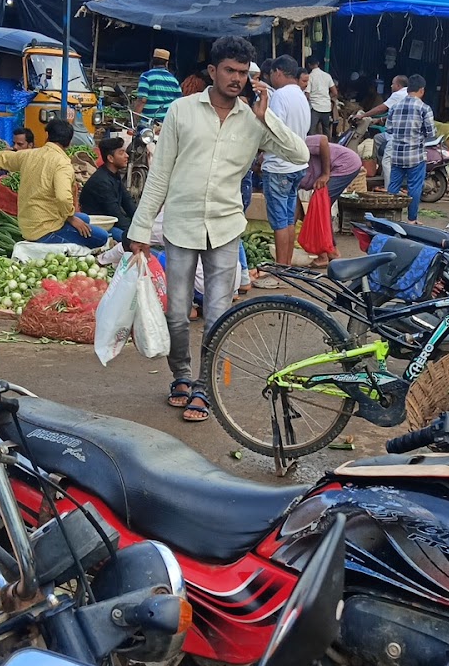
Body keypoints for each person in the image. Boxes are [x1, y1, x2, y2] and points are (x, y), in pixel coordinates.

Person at [127, 33, 308, 423]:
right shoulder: (181, 111)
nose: (236, 79)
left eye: (243, 73)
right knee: (177, 311)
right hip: (181, 224)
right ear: (212, 70)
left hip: (226, 228)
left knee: (219, 314)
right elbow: (159, 175)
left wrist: (266, 115)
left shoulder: (254, 121)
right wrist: (140, 228)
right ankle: (181, 375)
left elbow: (299, 153)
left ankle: (205, 388)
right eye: (229, 70)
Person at [0, 116, 110, 248]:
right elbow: (63, 197)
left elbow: (4, 157)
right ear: (69, 142)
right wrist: (71, 219)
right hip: (45, 229)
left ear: (47, 137)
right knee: (101, 237)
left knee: (84, 218)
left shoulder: (30, 154)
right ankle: (55, 241)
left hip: (28, 222)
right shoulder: (63, 163)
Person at [260, 55, 312, 267]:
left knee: (280, 221)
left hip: (279, 165)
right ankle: (286, 265)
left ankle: (281, 269)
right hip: (297, 164)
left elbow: (274, 127)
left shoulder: (280, 95)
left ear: (278, 72)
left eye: (272, 74)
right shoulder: (300, 95)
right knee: (289, 218)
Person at [300, 134, 363, 267]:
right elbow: (293, 204)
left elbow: (323, 140)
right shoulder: (277, 170)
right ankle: (330, 251)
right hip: (339, 167)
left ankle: (326, 254)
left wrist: (325, 174)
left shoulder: (298, 141)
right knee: (318, 207)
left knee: (319, 205)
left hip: (345, 164)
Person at [385, 76, 436, 221]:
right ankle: (412, 219)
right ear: (422, 90)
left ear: (407, 89)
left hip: (397, 154)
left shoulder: (395, 107)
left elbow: (389, 129)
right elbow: (431, 134)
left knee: (393, 187)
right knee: (414, 187)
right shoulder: (424, 108)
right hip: (415, 156)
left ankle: (390, 218)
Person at [79, 135, 137, 239]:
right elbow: (114, 213)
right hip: (99, 226)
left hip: (112, 221)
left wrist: (141, 222)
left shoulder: (114, 174)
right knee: (131, 240)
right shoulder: (101, 181)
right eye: (121, 153)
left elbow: (127, 201)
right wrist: (136, 232)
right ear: (110, 158)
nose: (126, 156)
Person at [134, 48, 181, 123]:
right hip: (167, 123)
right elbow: (178, 102)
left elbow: (142, 100)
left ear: (152, 61)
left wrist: (135, 118)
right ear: (166, 63)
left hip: (148, 123)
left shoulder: (146, 76)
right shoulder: (174, 80)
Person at [303, 56, 337, 136]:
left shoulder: (310, 77)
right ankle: (328, 146)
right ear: (318, 63)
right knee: (326, 129)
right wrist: (327, 97)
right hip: (326, 107)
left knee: (312, 130)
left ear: (309, 65)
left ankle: (312, 147)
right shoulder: (327, 76)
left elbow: (307, 94)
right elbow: (335, 92)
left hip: (315, 107)